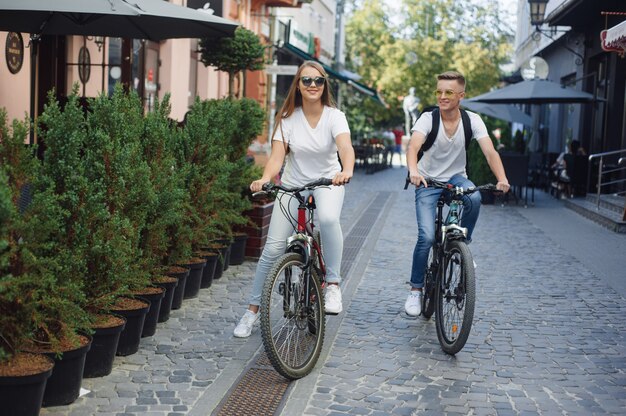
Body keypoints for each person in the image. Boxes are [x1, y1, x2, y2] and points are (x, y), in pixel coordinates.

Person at [234, 61, 355, 338]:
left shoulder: (335, 116)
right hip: (292, 185)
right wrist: (265, 178)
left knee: (327, 218)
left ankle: (333, 284)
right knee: (273, 248)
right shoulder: (287, 119)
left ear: (325, 85)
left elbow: (345, 147)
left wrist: (345, 170)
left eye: (318, 81)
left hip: (328, 181)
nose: (313, 85)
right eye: (306, 81)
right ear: (298, 86)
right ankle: (252, 311)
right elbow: (277, 158)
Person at [405, 71, 510, 316]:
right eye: (439, 91)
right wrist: (413, 171)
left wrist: (502, 178)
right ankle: (415, 290)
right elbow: (413, 146)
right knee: (427, 237)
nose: (442, 96)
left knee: (474, 197)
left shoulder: (472, 120)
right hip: (427, 181)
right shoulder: (427, 119)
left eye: (448, 92)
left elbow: (490, 152)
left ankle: (461, 244)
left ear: (461, 96)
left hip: (455, 178)